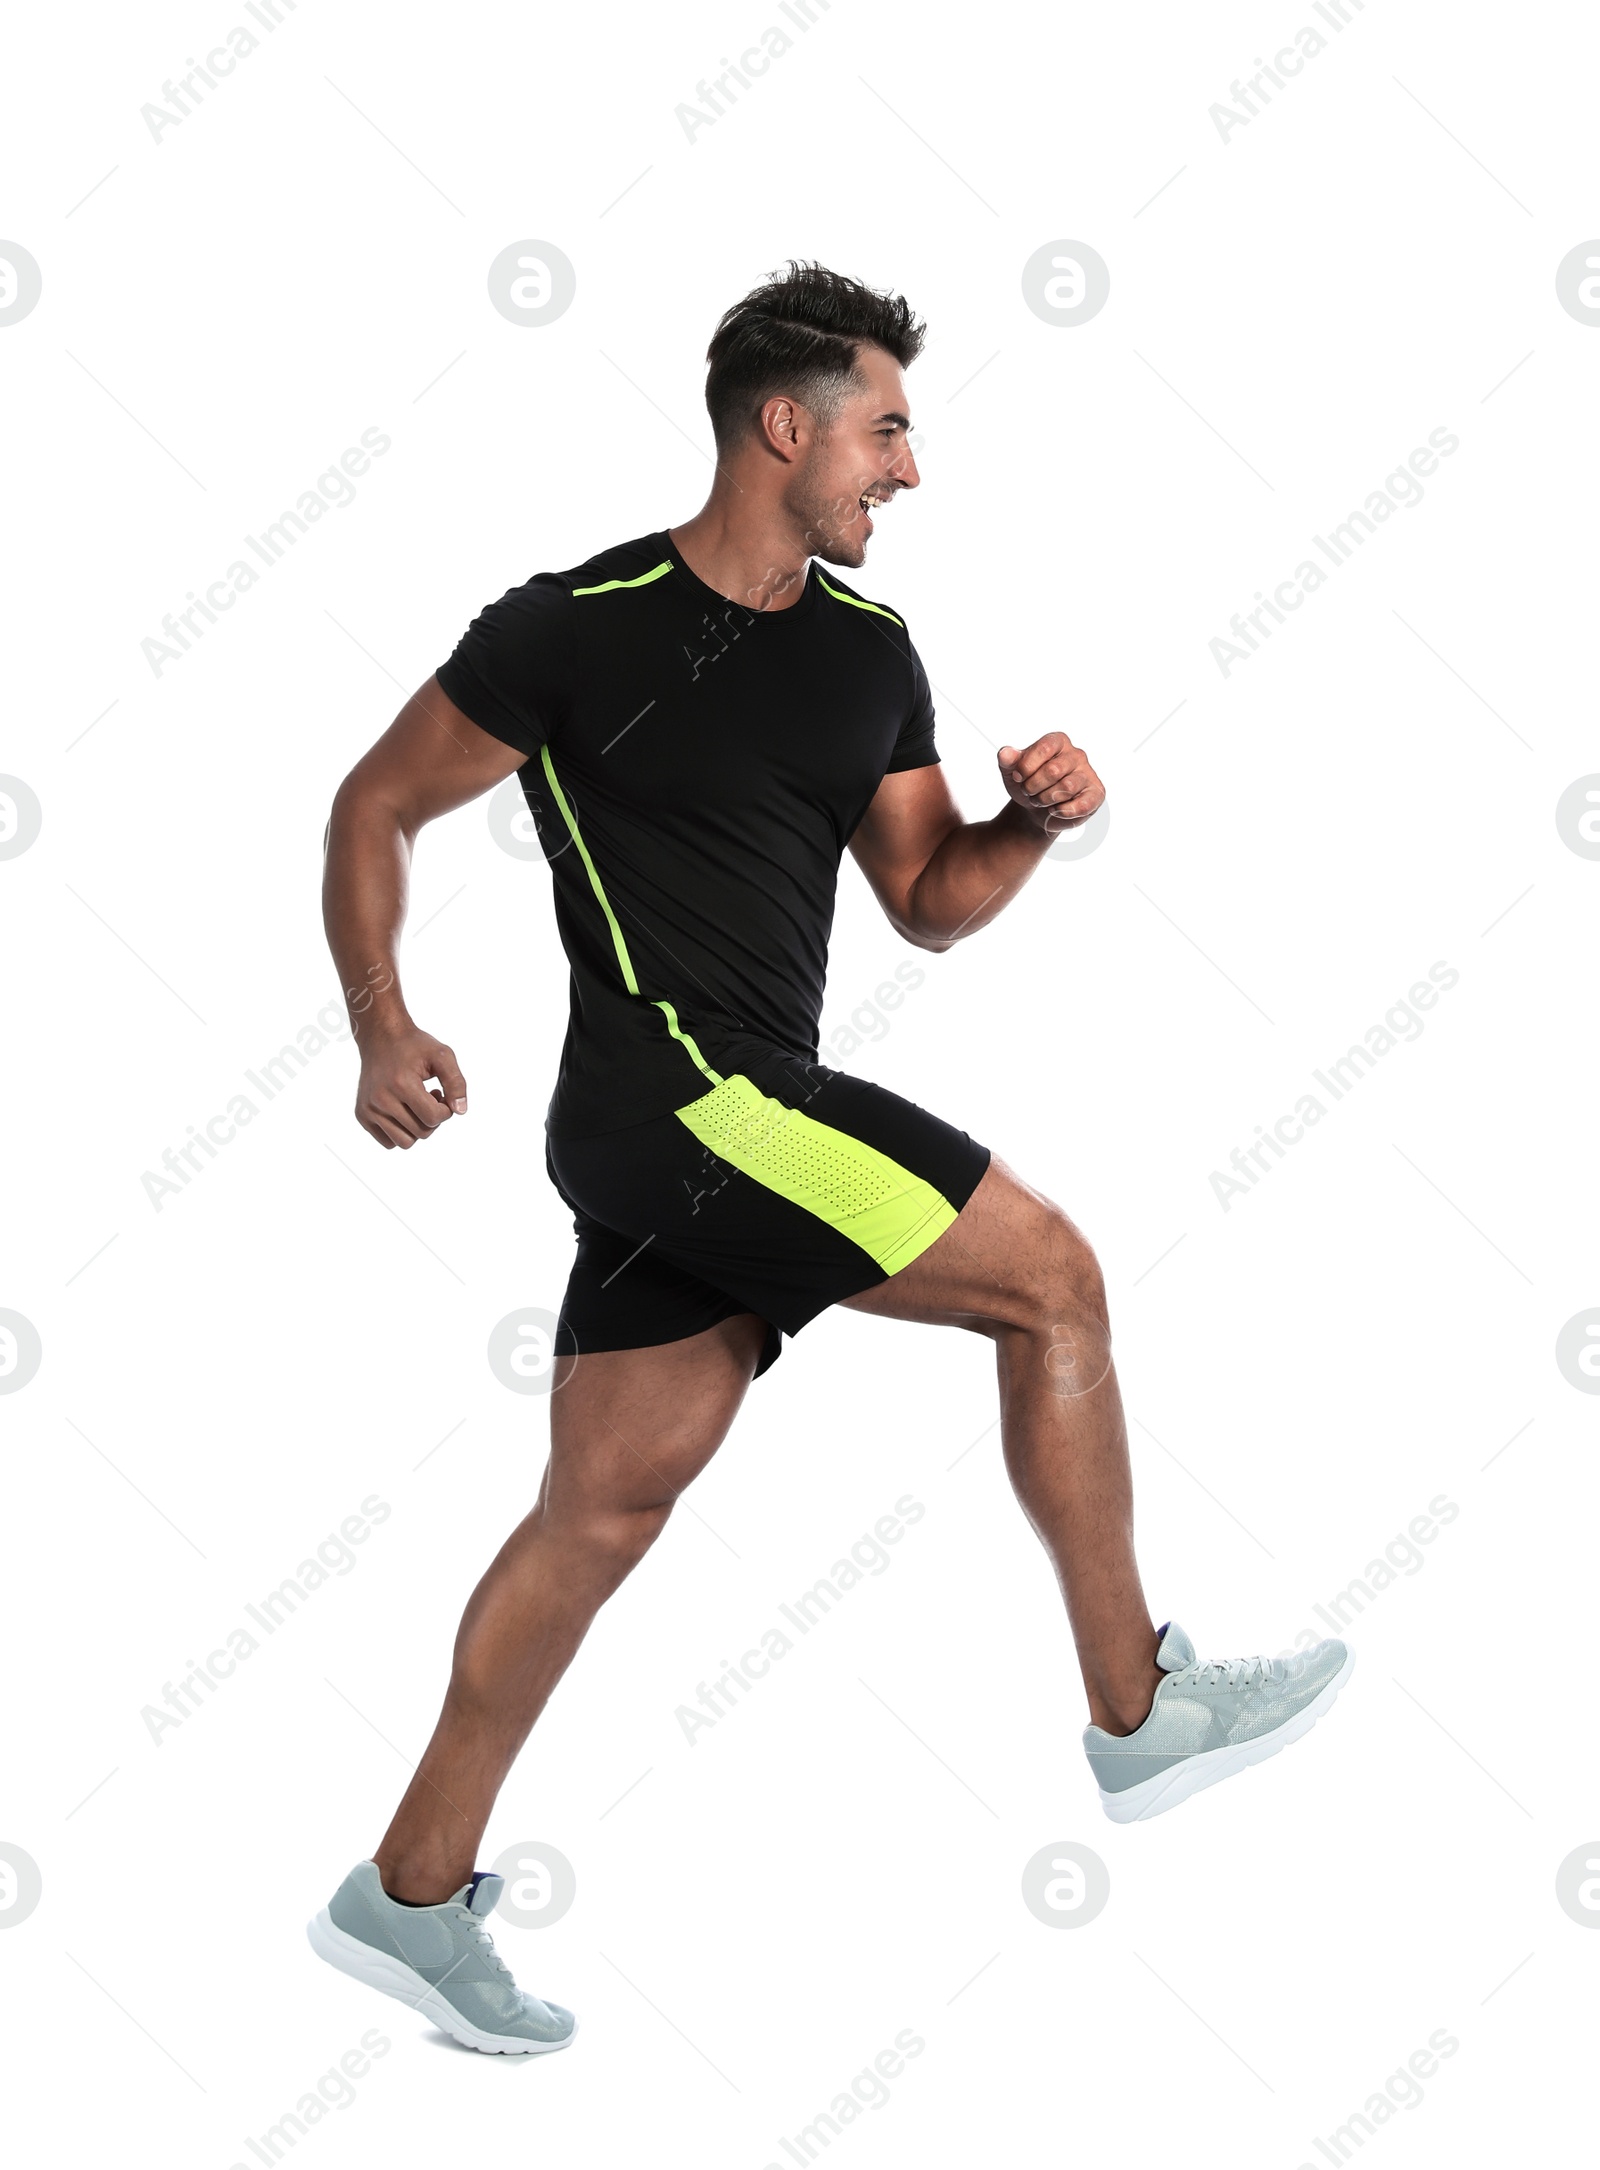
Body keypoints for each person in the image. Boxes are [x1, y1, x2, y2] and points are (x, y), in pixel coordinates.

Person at [308, 261, 1352, 2055]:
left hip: (733, 1121)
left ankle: (402, 1893)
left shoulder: (871, 654)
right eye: (888, 429)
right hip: (679, 1099)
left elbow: (929, 903)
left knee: (603, 1505)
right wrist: (381, 1021)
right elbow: (374, 802)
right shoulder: (577, 624)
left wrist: (1024, 824)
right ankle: (1136, 1709)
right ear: (782, 427)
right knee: (1057, 1281)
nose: (909, 471)